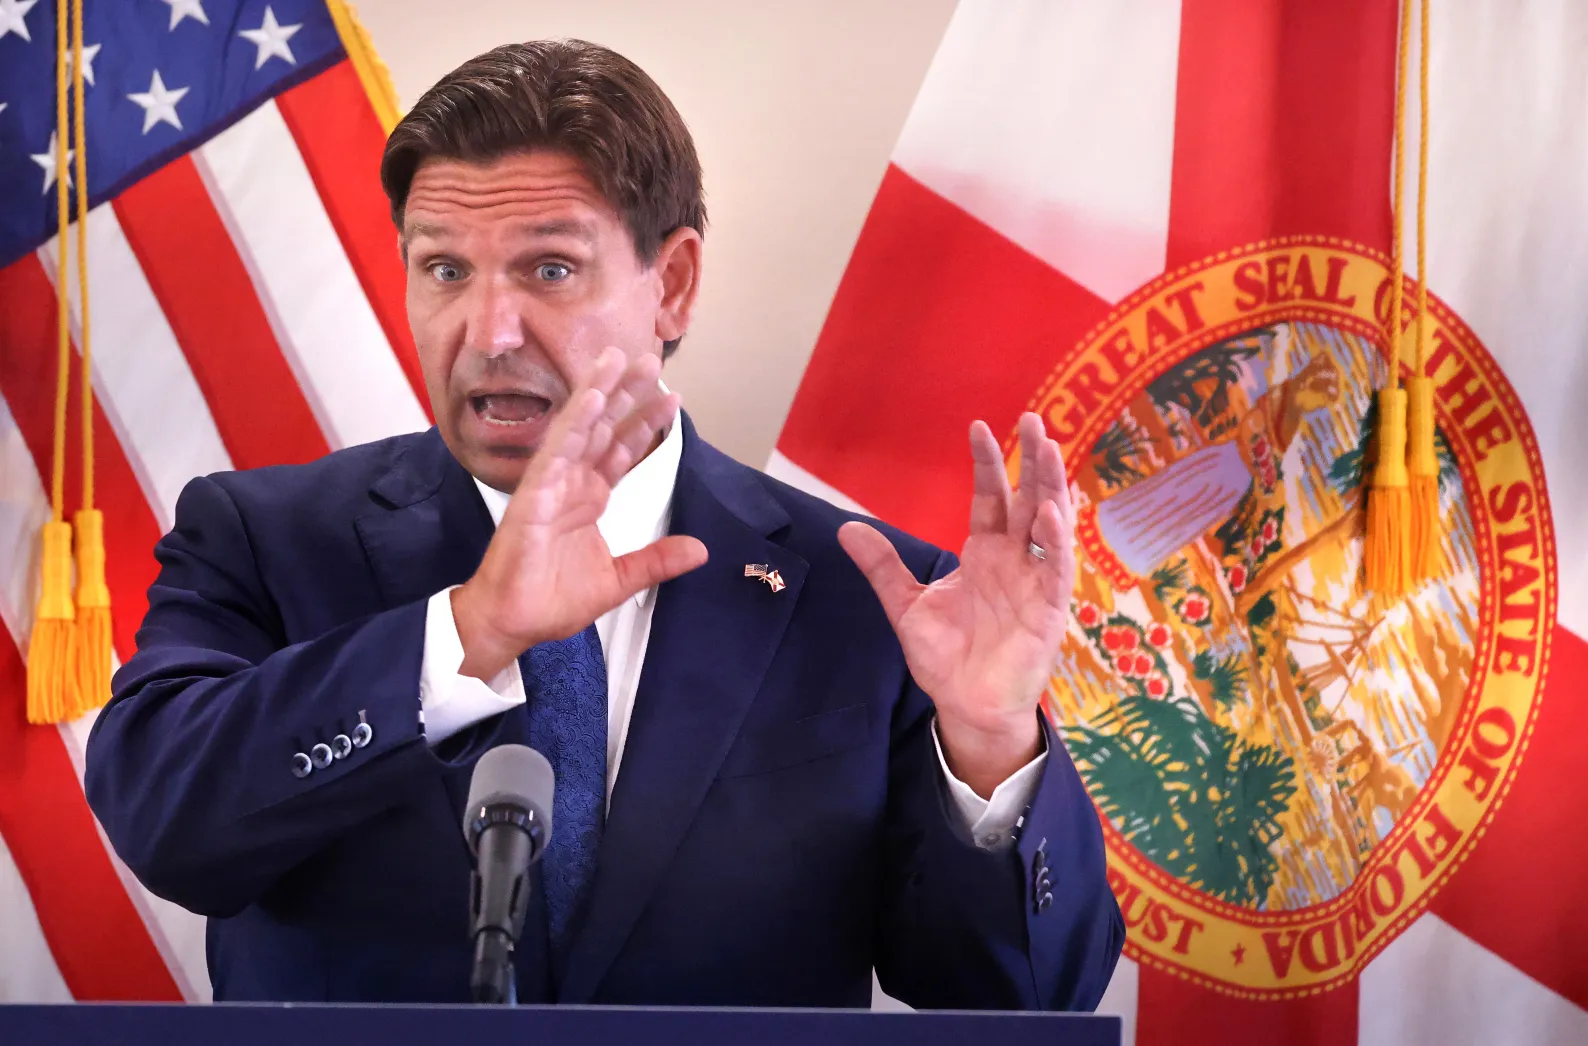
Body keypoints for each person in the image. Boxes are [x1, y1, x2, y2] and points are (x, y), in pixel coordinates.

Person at [84, 39, 1123, 1008]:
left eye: (547, 269)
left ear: (670, 285)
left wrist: (989, 748)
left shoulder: (869, 593)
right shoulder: (262, 536)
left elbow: (1031, 997)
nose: (486, 331)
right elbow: (167, 823)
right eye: (444, 268)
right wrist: (464, 633)